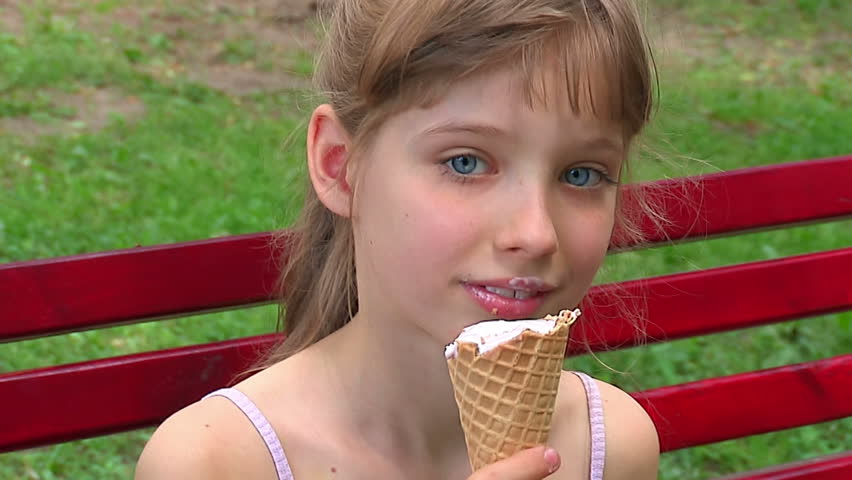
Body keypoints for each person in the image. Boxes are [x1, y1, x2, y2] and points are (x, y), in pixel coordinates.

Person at [135, 0, 661, 478]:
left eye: (582, 175)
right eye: (466, 162)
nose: (535, 234)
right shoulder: (216, 463)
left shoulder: (611, 446)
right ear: (340, 167)